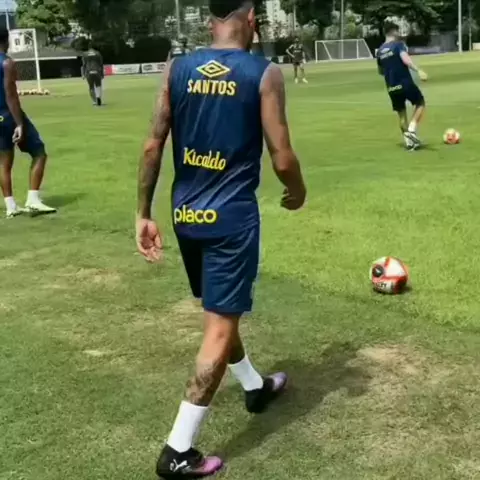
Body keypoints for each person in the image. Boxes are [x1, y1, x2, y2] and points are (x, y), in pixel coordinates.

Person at [136, 0, 306, 477]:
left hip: (185, 214)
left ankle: (254, 386)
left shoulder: (177, 68)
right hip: (231, 219)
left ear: (210, 20)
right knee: (219, 326)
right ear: (251, 20)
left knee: (219, 311)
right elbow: (282, 155)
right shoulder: (263, 73)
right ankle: (178, 449)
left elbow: (153, 143)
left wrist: (142, 213)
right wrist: (297, 191)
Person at [0, 28, 56, 218]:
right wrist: (19, 123)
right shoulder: (7, 62)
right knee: (39, 152)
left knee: (4, 163)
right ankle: (33, 200)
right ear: (6, 40)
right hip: (9, 116)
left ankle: (11, 206)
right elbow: (10, 95)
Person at [376, 22, 428, 151]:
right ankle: (412, 130)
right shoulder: (398, 45)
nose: (399, 33)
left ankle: (409, 143)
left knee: (401, 114)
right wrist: (418, 70)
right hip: (404, 82)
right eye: (397, 31)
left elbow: (380, 71)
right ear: (393, 31)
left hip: (391, 87)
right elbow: (405, 59)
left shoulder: (379, 51)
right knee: (420, 102)